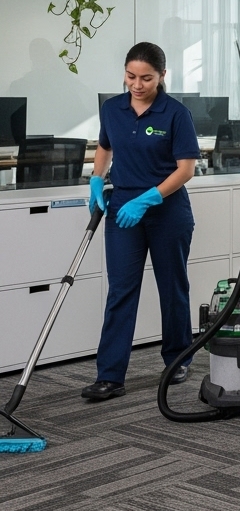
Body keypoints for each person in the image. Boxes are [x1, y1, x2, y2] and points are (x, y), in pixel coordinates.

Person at [82, 43, 199, 401]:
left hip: (166, 212)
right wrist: (97, 179)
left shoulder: (175, 114)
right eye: (131, 76)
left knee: (172, 285)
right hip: (122, 212)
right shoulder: (112, 109)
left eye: (146, 78)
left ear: (162, 76)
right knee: (121, 290)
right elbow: (105, 145)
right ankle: (110, 375)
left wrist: (149, 197)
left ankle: (177, 358)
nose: (136, 84)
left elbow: (186, 169)